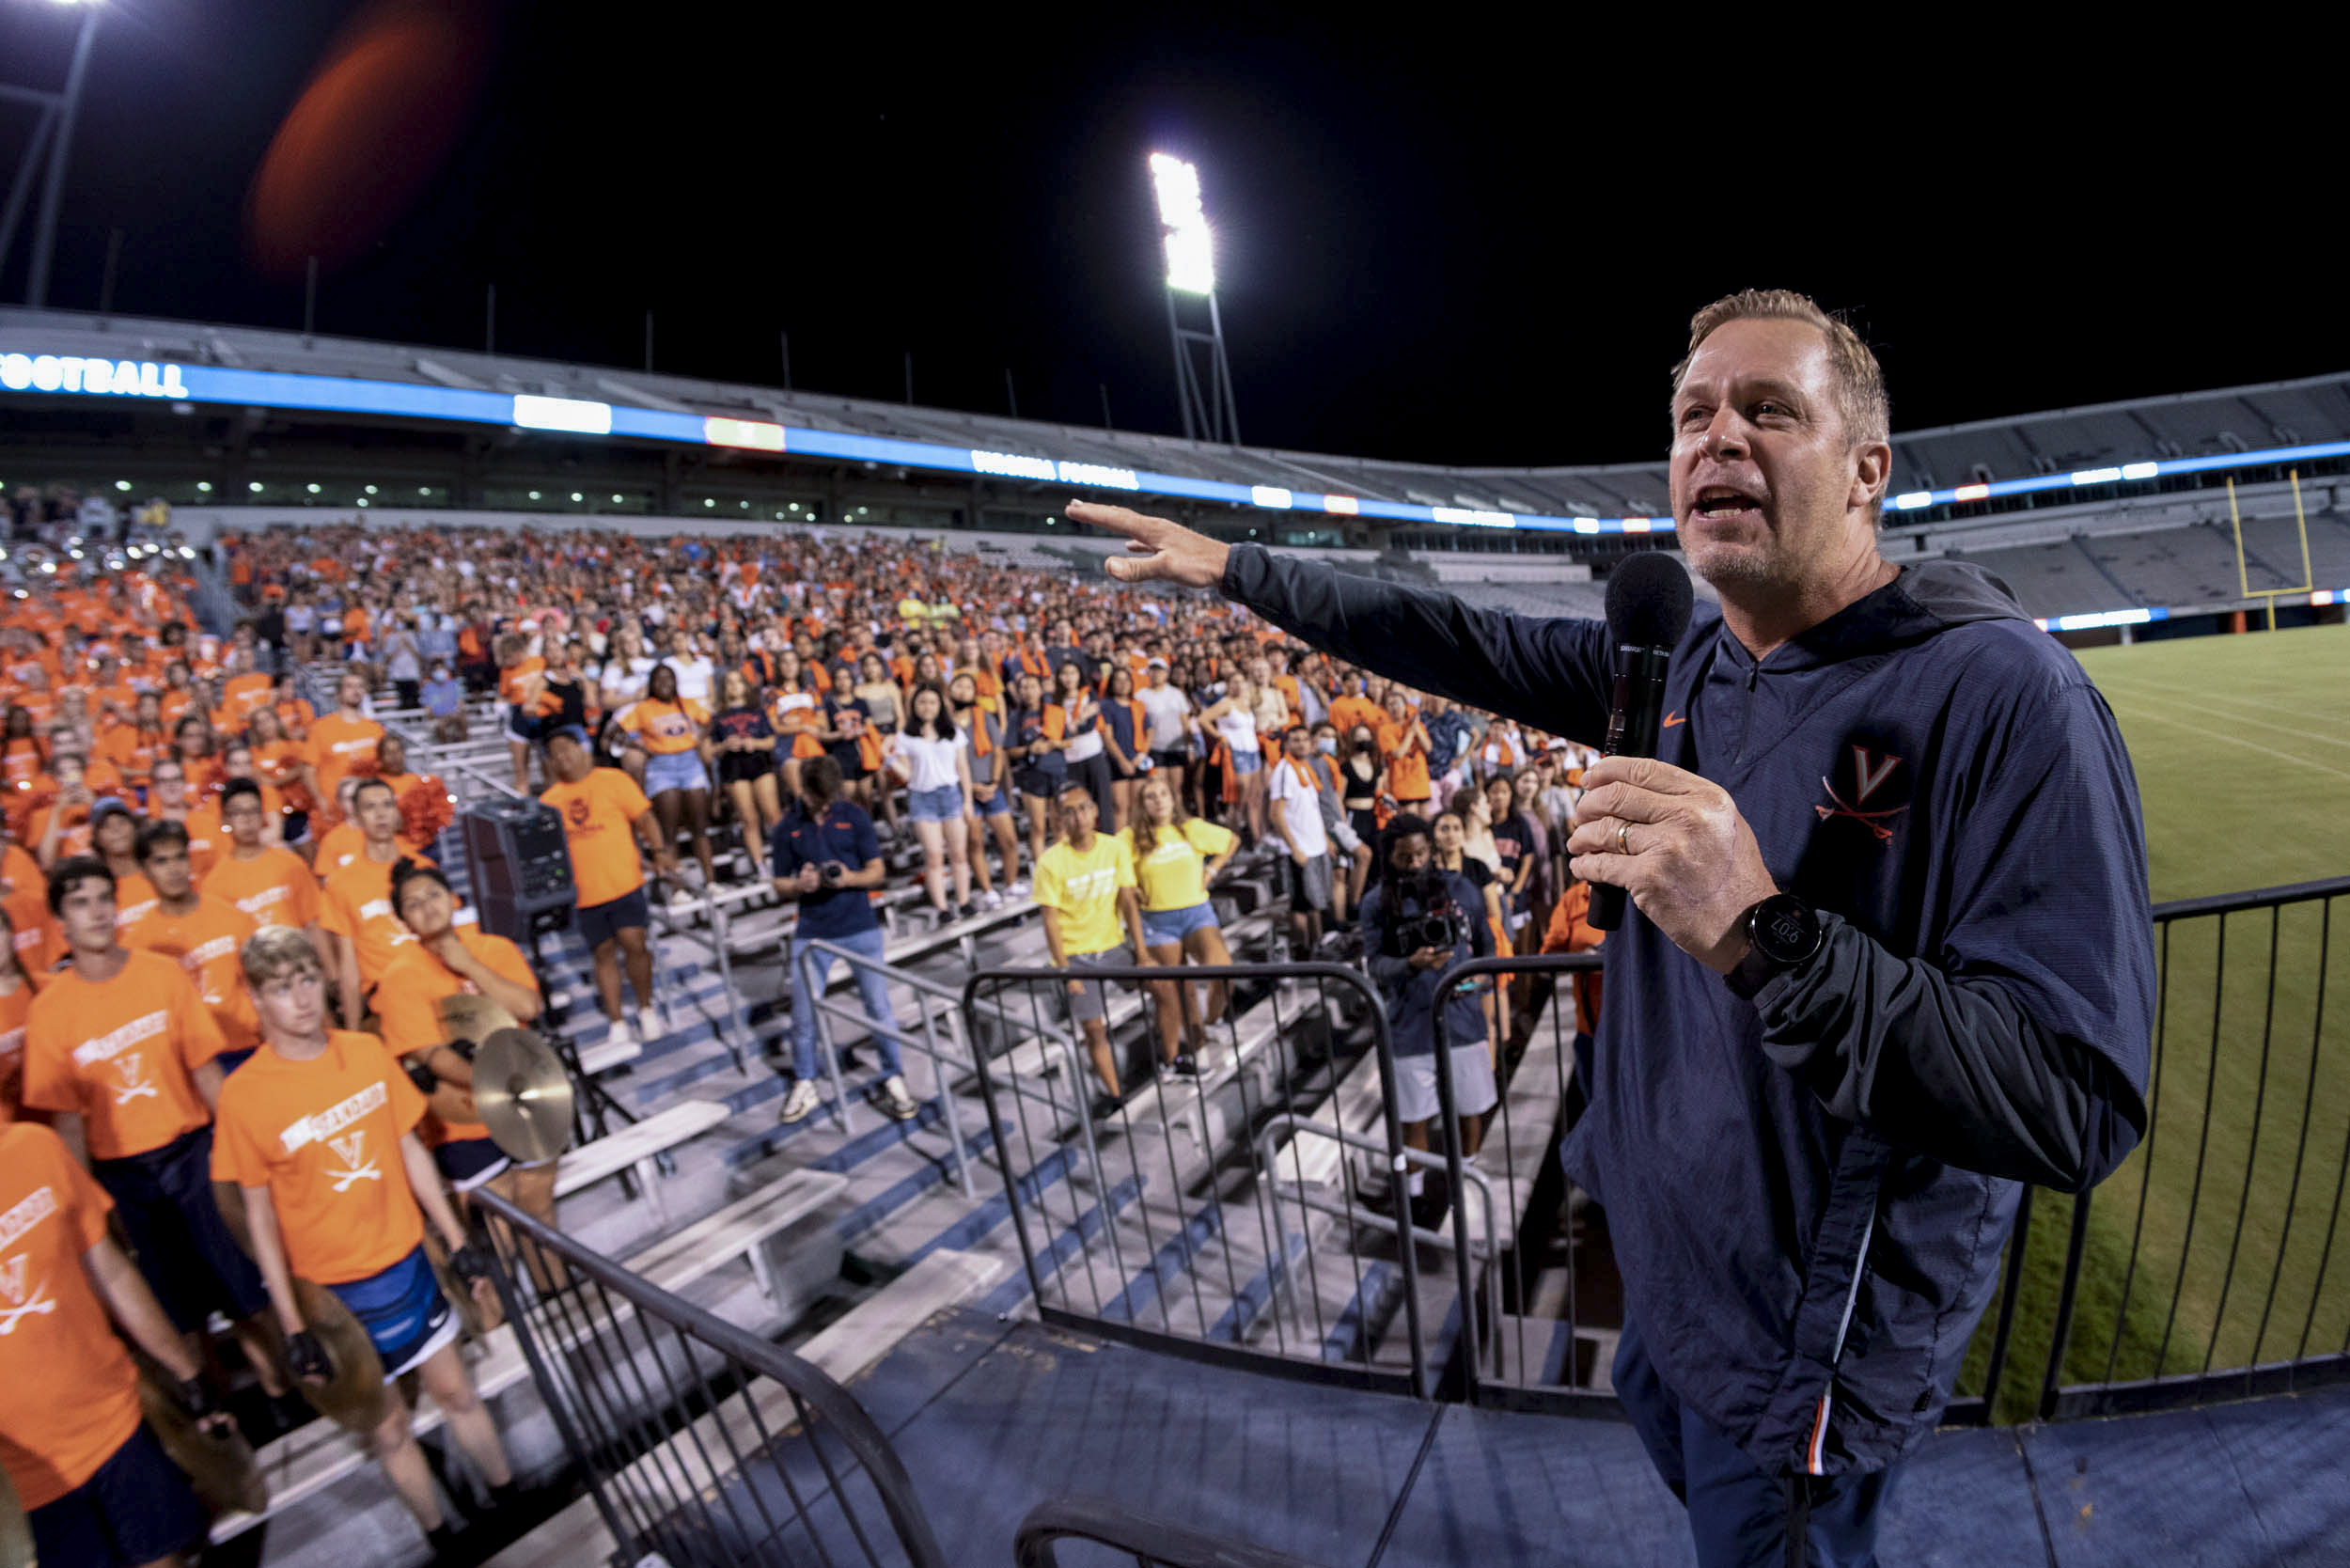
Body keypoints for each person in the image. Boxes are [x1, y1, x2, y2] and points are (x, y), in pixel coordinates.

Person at [1069, 288, 2156, 1565]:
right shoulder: (1684, 667)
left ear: (1867, 470)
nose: (1717, 440)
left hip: (1794, 1354)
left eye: (1768, 410)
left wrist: (1762, 927)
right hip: (1667, 1287)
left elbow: (2073, 1100)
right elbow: (1454, 637)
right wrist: (1239, 570)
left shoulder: (2007, 697)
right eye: (1694, 415)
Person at [212, 926, 517, 1558]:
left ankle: (511, 1505)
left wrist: (458, 1240)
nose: (299, 999)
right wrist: (292, 1325)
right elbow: (259, 1221)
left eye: (304, 981)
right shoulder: (244, 1096)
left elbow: (410, 1149)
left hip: (406, 1260)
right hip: (335, 1295)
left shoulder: (365, 1052)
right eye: (279, 988)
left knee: (458, 1393)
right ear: (256, 1000)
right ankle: (444, 1540)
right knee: (390, 1431)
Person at [19, 856, 287, 1405]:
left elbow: (206, 1073)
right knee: (178, 1310)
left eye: (102, 898)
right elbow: (68, 1126)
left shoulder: (161, 975)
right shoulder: (50, 1013)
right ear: (60, 924)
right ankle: (220, 1419)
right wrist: (91, 1209)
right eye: (79, 902)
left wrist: (249, 1153)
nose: (95, 912)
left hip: (193, 1156)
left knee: (244, 1290)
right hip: (125, 1180)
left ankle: (285, 1390)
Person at [0, 1116, 230, 1568]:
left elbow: (112, 1273)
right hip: (24, 1482)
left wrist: (187, 1373)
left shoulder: (34, 1148)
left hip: (117, 1424)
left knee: (167, 1558)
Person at [376, 857, 561, 1264]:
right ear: (403, 921)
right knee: (496, 1237)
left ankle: (560, 1300)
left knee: (540, 1213)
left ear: (454, 898)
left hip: (529, 1105)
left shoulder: (494, 948)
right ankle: (501, 1324)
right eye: (413, 904)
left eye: (433, 895)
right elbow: (433, 1055)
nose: (426, 906)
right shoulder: (400, 977)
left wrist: (468, 965)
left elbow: (527, 1004)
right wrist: (499, 1084)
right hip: (463, 1120)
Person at [1356, 815, 1498, 1229]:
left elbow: (1487, 951)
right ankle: (1414, 1198)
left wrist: (1473, 980)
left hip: (1462, 1018)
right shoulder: (1375, 903)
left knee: (1470, 1109)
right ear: (1390, 857)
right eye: (1405, 857)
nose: (1415, 863)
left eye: (1421, 854)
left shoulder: (1462, 889)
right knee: (1413, 1116)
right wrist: (1409, 963)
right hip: (1410, 1024)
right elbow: (1376, 965)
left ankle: (1467, 1183)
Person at [770, 755, 918, 1124]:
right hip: (812, 931)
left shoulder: (853, 816)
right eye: (817, 798)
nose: (823, 805)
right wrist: (799, 885)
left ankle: (894, 1076)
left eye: (828, 798)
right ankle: (805, 1081)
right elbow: (778, 883)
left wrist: (849, 879)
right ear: (802, 790)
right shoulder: (787, 826)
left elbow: (877, 871)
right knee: (803, 1015)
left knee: (878, 1007)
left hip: (859, 925)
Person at [540, 726, 676, 1049]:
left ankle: (645, 1008)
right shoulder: (549, 801)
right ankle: (616, 1020)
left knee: (635, 944)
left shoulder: (613, 780)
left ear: (581, 749)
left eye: (566, 749)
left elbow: (646, 820)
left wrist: (659, 853)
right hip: (586, 894)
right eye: (554, 754)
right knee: (602, 955)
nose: (562, 757)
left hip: (624, 883)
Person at [1032, 782, 1151, 1119]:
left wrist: (1141, 952)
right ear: (1059, 818)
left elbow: (1128, 900)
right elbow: (1050, 922)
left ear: (1095, 811)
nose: (1079, 817)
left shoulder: (1114, 848)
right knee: (1094, 1029)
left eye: (1083, 808)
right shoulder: (1051, 862)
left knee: (1163, 983)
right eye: (1069, 811)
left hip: (1113, 946)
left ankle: (1175, 1056)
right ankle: (1115, 1095)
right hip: (1078, 956)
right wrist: (1066, 970)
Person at [1119, 773, 1236, 1078]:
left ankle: (1213, 1020)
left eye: (1163, 794)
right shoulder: (1129, 839)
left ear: (1173, 799)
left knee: (1222, 970)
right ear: (1142, 804)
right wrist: (1131, 889)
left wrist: (1211, 870)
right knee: (1176, 991)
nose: (1159, 801)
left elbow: (1231, 840)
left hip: (1196, 913)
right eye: (1151, 796)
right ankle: (1184, 1053)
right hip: (1158, 920)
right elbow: (1116, 873)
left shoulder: (1190, 828)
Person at [126, 820, 263, 1074]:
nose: (174, 869)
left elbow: (265, 986)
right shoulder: (138, 944)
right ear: (144, 871)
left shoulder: (233, 917)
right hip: (190, 1064)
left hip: (248, 1048)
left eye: (179, 858)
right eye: (161, 862)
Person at [320, 778, 428, 1027]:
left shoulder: (423, 868)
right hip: (385, 1001)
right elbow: (348, 966)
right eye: (370, 808)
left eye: (387, 805)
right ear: (355, 819)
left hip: (434, 990)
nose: (380, 815)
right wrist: (354, 1029)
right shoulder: (340, 884)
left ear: (397, 813)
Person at [620, 662, 716, 904]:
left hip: (689, 763)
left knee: (699, 827)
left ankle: (711, 882)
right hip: (661, 767)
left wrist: (699, 738)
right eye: (659, 680)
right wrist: (635, 744)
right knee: (668, 831)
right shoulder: (643, 709)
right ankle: (676, 889)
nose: (665, 684)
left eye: (669, 679)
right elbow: (615, 730)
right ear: (652, 684)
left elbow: (709, 720)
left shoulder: (686, 703)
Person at [885, 683, 976, 921]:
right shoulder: (906, 736)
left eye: (932, 702)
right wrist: (888, 757)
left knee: (958, 853)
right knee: (934, 855)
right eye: (922, 702)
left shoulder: (952, 732)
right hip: (922, 797)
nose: (927, 707)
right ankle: (943, 908)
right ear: (914, 706)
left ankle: (964, 902)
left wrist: (967, 800)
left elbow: (963, 767)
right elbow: (907, 775)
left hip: (951, 794)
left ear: (940, 706)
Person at [949, 670, 1018, 904]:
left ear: (974, 692)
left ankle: (1010, 884)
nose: (962, 691)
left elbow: (998, 751)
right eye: (958, 685)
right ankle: (988, 890)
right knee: (976, 843)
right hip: (964, 792)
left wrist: (994, 782)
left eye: (967, 687)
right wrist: (972, 787)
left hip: (991, 786)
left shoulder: (984, 716)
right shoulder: (944, 723)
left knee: (1009, 840)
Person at [1266, 725, 1335, 957]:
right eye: (1295, 740)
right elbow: (1275, 813)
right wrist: (1294, 847)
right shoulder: (1284, 771)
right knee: (1302, 904)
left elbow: (1312, 809)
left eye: (1305, 739)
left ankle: (1319, 946)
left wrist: (1324, 838)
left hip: (1315, 844)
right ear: (1287, 744)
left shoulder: (1305, 768)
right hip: (1300, 848)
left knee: (1316, 902)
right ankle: (1304, 951)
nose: (1302, 744)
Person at [710, 669, 784, 879]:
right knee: (748, 818)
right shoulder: (717, 717)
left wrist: (755, 743)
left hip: (759, 763)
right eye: (729, 683)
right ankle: (760, 864)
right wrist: (725, 745)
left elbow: (771, 741)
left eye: (737, 682)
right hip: (733, 768)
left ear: (745, 686)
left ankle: (786, 857)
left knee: (772, 814)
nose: (734, 687)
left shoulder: (758, 711)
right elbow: (710, 751)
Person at [1003, 670, 1067, 871]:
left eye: (1032, 686)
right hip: (1031, 775)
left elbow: (1069, 741)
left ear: (1041, 689)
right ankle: (1042, 870)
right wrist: (1030, 749)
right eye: (1024, 687)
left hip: (1057, 771)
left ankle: (1064, 866)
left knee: (1060, 824)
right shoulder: (1016, 717)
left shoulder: (1054, 711)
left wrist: (1053, 744)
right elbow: (1010, 750)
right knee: (1038, 826)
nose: (1028, 691)